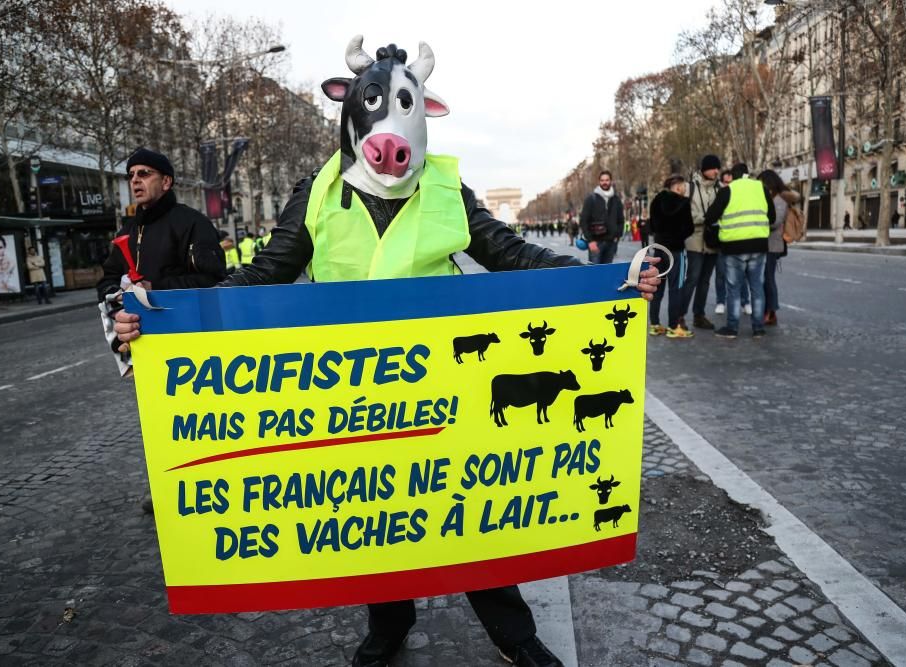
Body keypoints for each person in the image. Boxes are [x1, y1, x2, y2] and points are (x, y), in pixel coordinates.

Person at [112, 37, 661, 667]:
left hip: (446, 378)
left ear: (422, 113)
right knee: (376, 506)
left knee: (469, 504)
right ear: (352, 112)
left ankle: (514, 634)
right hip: (355, 388)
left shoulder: (446, 188)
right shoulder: (315, 192)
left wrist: (608, 282)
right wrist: (167, 316)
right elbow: (264, 272)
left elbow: (511, 254)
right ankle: (388, 623)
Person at [96, 147, 226, 514]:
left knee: (199, 417)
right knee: (156, 418)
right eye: (131, 175)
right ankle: (165, 483)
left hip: (188, 340)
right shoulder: (127, 229)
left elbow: (213, 279)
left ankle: (211, 481)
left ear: (165, 181)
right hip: (143, 341)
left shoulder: (193, 223)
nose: (135, 181)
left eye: (144, 174)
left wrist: (155, 288)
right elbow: (106, 280)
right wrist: (118, 296)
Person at [704, 163, 775, 338]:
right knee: (757, 287)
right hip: (758, 245)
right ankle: (758, 328)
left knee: (734, 288)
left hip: (734, 248)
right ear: (747, 174)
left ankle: (732, 328)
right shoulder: (761, 188)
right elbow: (772, 217)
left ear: (732, 176)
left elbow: (710, 217)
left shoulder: (728, 191)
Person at [648, 175, 694, 338]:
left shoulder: (656, 201)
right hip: (676, 250)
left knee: (657, 286)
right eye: (684, 186)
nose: (685, 189)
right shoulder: (683, 203)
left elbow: (651, 225)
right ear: (679, 187)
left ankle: (654, 324)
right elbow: (689, 228)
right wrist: (677, 236)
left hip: (659, 249)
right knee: (677, 287)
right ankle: (673, 326)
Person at [680, 154, 722, 331]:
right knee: (693, 278)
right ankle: (679, 315)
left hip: (713, 240)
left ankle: (699, 315)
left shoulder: (719, 189)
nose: (717, 171)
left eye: (717, 168)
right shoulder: (690, 188)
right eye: (713, 168)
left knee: (705, 281)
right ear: (705, 169)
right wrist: (703, 218)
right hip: (695, 240)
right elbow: (683, 213)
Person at [757, 170, 799, 327]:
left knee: (768, 279)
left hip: (772, 245)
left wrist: (757, 220)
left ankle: (771, 311)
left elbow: (775, 222)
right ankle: (765, 309)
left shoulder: (780, 199)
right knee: (762, 279)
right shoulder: (770, 197)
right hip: (763, 243)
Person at [713, 169, 749, 317]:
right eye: (725, 182)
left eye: (730, 182)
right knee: (721, 274)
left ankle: (745, 301)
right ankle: (721, 301)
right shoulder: (719, 195)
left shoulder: (740, 195)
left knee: (742, 274)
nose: (728, 185)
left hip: (738, 239)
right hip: (722, 240)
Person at [580, 170, 624, 264]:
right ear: (599, 181)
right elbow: (583, 221)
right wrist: (590, 241)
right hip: (595, 243)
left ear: (611, 181)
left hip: (611, 243)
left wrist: (618, 235)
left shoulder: (616, 199)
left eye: (607, 180)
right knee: (594, 273)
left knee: (607, 274)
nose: (605, 182)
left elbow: (621, 220)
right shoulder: (591, 199)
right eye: (602, 180)